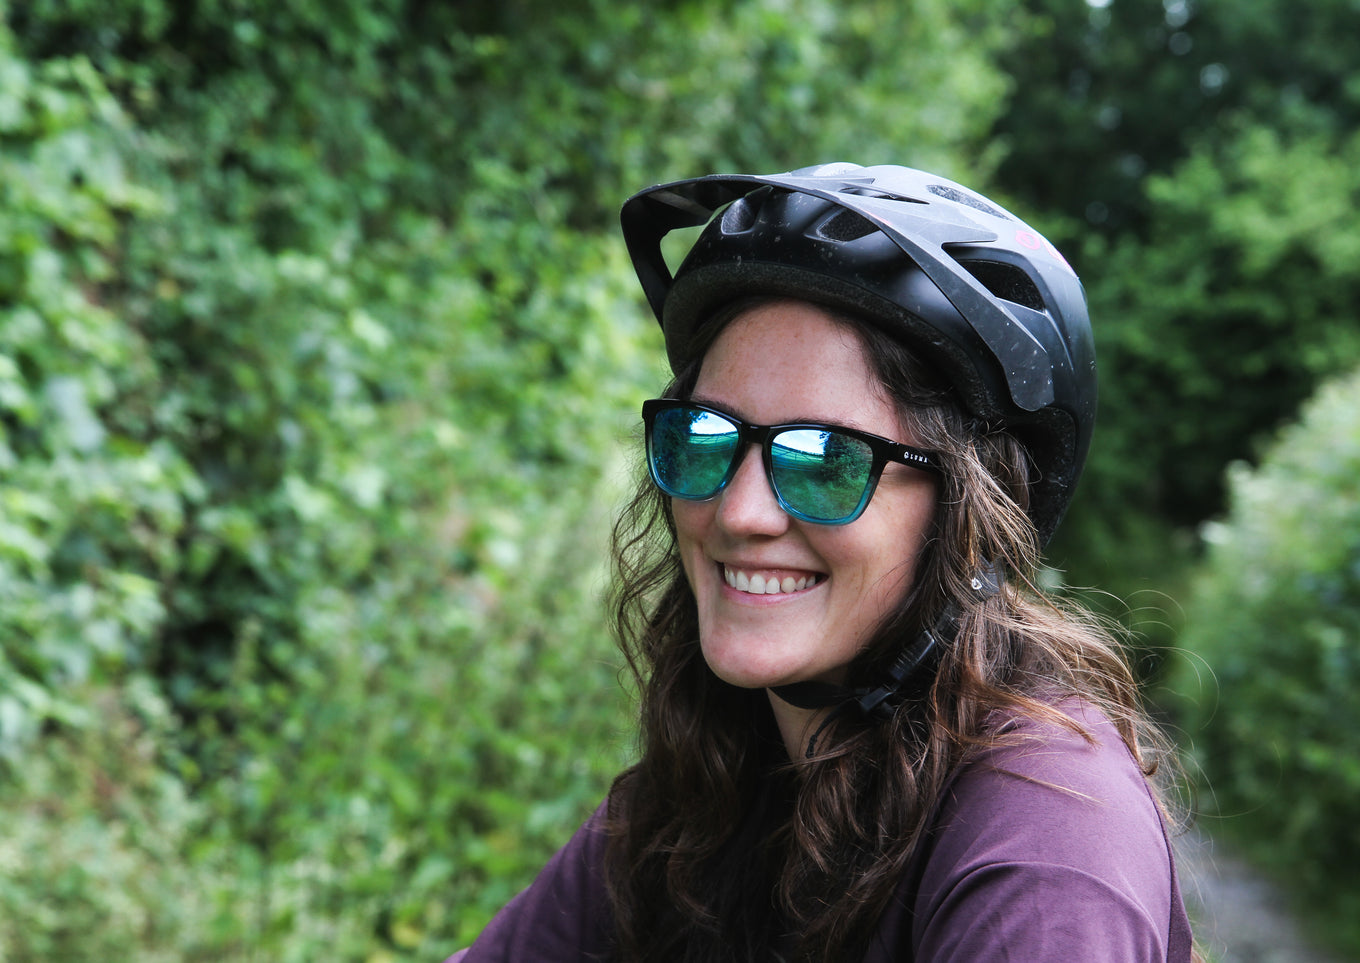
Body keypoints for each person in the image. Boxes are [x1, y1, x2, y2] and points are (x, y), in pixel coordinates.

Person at [448, 163, 1197, 962]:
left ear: (966, 514)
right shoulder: (714, 788)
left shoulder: (1045, 844)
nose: (739, 512)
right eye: (705, 437)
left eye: (825, 460)